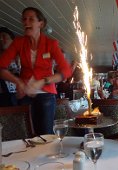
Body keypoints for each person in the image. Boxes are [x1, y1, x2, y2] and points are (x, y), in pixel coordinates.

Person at [0, 7, 72, 135]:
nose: (26, 22)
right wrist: (18, 82)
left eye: (31, 19)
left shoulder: (51, 44)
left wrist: (44, 81)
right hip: (25, 94)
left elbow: (66, 71)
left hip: (46, 93)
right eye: (24, 19)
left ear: (41, 23)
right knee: (28, 134)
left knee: (46, 135)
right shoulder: (18, 42)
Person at [0, 27, 20, 106]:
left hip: (19, 95)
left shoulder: (20, 56)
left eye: (4, 36)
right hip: (2, 96)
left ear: (12, 40)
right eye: (0, 37)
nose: (1, 39)